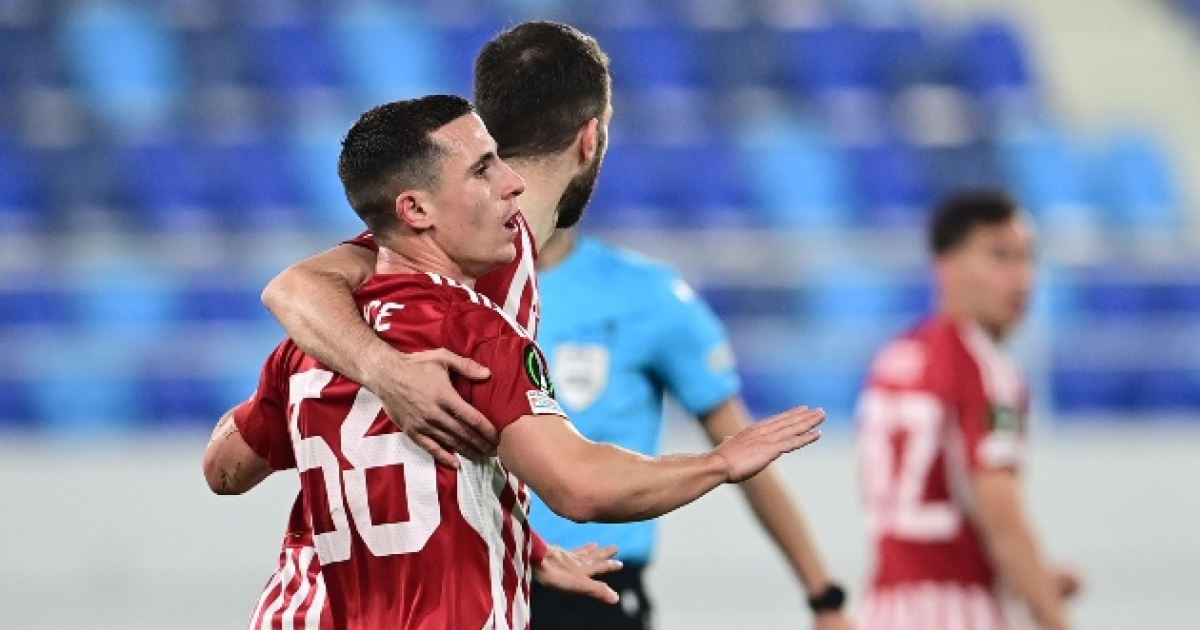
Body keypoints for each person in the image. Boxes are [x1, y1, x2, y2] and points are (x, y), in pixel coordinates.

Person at [255, 21, 856, 630]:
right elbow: (290, 287)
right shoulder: (461, 256)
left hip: (429, 580)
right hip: (427, 592)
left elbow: (234, 457)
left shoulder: (440, 253)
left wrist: (533, 548)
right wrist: (387, 372)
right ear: (590, 139)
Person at [529, 227, 856, 630]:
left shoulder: (644, 293)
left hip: (593, 591)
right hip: (474, 575)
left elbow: (744, 455)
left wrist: (823, 596)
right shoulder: (464, 293)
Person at [854, 191, 1081, 630]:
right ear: (947, 267)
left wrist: (1031, 577)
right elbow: (1003, 522)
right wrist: (1054, 618)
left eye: (1027, 258)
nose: (1022, 277)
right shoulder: (986, 370)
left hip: (882, 611)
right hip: (961, 613)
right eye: (1000, 257)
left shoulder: (893, 358)